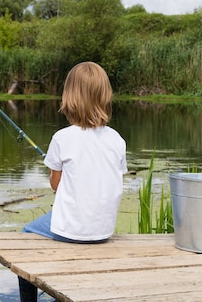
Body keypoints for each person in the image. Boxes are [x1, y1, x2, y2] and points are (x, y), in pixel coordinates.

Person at [18, 62, 127, 302]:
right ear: (105, 96)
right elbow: (110, 182)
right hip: (103, 231)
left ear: (69, 97)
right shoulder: (117, 139)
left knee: (25, 234)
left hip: (72, 229)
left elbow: (55, 185)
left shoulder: (62, 138)